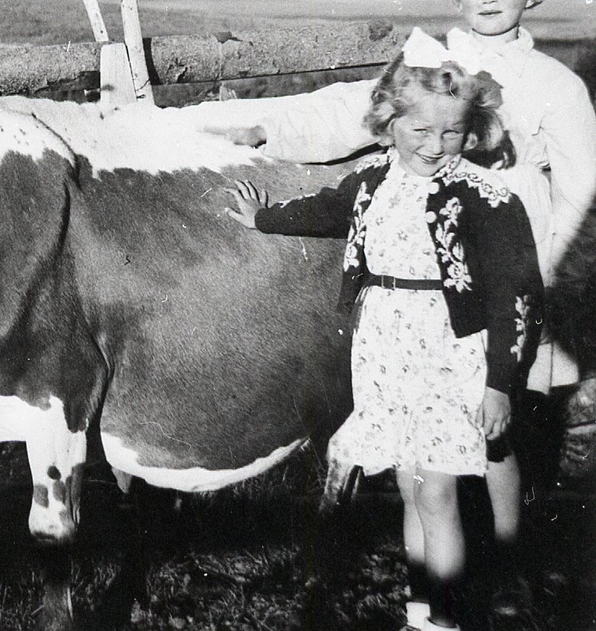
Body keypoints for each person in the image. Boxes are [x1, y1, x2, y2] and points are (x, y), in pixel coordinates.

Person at [193, 0, 596, 605]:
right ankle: (440, 581)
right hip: (419, 282)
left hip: (509, 256)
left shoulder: (555, 83)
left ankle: (505, 562)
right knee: (433, 444)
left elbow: (582, 182)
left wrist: (540, 269)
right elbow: (353, 108)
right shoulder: (427, 61)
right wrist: (269, 127)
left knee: (497, 431)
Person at [227, 35, 543, 630]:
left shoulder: (487, 199)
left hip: (451, 355)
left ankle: (446, 619)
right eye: (418, 131)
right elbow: (324, 211)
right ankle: (422, 613)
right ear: (387, 122)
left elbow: (517, 297)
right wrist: (263, 218)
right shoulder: (372, 180)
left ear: (469, 131)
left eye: (450, 132)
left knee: (437, 491)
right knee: (411, 484)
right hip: (384, 351)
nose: (435, 146)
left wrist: (501, 382)